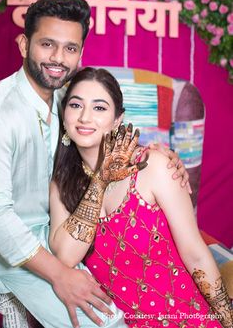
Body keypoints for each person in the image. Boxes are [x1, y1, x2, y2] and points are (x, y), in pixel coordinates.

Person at [0, 0, 189, 328]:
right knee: (108, 325)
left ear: (80, 54)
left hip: (60, 237)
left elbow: (99, 129)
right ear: (24, 44)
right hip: (12, 254)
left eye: (70, 49)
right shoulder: (3, 113)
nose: (58, 58)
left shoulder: (63, 99)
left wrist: (155, 155)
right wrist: (60, 275)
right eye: (47, 45)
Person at [49, 67, 233, 328]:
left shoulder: (153, 165)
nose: (85, 117)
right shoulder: (62, 184)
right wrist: (101, 179)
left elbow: (195, 254)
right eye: (75, 105)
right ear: (64, 114)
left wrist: (228, 320)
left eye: (99, 108)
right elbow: (66, 256)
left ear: (117, 120)